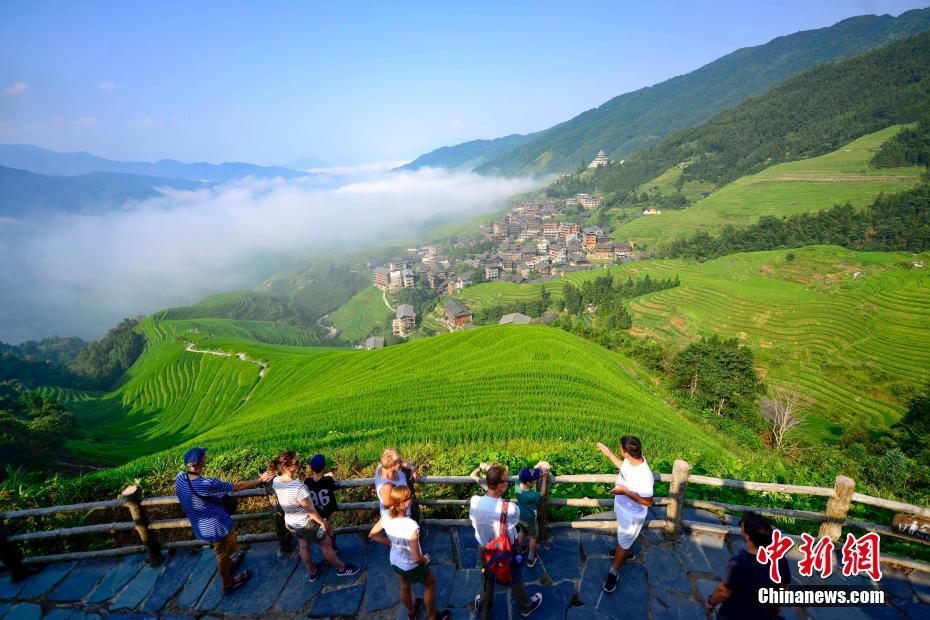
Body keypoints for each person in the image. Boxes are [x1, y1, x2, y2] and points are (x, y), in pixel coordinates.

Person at [175, 447, 274, 594]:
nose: (206, 457)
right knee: (223, 554)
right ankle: (227, 583)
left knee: (225, 550)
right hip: (216, 528)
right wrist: (260, 479)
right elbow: (237, 487)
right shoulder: (207, 483)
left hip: (199, 525)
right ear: (202, 461)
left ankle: (229, 564)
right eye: (204, 456)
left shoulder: (180, 477)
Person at [269, 450, 360, 581]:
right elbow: (310, 510)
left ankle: (312, 572)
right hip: (307, 524)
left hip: (291, 522)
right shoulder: (299, 487)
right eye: (296, 462)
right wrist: (322, 523)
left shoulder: (276, 481)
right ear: (287, 467)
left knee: (303, 545)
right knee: (327, 544)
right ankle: (342, 568)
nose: (299, 464)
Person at [469, 464, 543, 619]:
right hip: (505, 550)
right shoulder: (510, 508)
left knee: (487, 577)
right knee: (515, 577)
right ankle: (526, 606)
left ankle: (483, 610)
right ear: (501, 486)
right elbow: (514, 524)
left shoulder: (475, 501)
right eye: (506, 481)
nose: (508, 483)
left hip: (484, 547)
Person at [369, 485, 452, 620]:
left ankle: (411, 611)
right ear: (402, 504)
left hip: (395, 561)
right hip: (411, 565)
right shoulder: (411, 526)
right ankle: (432, 617)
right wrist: (425, 559)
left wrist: (389, 543)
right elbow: (416, 558)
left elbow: (373, 534)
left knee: (404, 586)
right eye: (410, 497)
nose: (412, 499)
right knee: (430, 585)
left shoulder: (386, 516)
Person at [706, 511, 792, 618]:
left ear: (747, 537)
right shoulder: (780, 560)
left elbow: (723, 592)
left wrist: (711, 602)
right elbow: (783, 588)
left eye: (742, 525)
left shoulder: (738, 564)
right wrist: (776, 606)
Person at [597, 436, 654, 593]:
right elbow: (624, 467)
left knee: (624, 541)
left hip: (632, 515)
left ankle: (614, 571)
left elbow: (648, 502)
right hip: (622, 508)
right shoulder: (633, 460)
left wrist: (625, 492)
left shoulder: (645, 475)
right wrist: (608, 453)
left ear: (626, 452)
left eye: (620, 449)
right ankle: (626, 552)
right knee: (624, 539)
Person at [515, 462, 550, 567]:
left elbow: (523, 476)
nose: (537, 478)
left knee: (521, 532)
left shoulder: (517, 485)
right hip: (530, 520)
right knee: (533, 537)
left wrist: (536, 470)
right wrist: (544, 478)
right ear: (530, 483)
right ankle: (531, 557)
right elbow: (542, 492)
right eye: (535, 478)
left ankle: (517, 550)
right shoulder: (532, 495)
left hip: (520, 517)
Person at [374, 448, 419, 519]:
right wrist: (408, 501)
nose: (400, 463)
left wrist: (412, 468)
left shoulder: (383, 467)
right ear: (390, 464)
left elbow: (406, 463)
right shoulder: (387, 486)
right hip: (397, 519)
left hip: (406, 514)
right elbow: (389, 508)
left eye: (399, 460)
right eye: (397, 462)